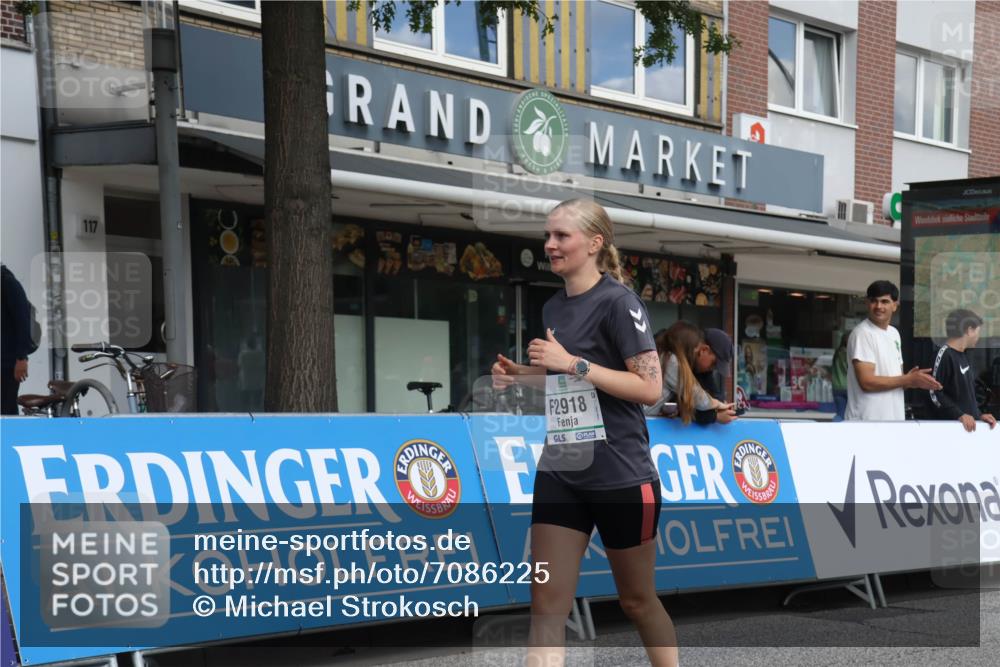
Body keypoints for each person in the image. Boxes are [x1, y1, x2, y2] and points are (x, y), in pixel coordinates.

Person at [491, 199, 677, 666]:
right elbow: (567, 381)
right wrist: (521, 375)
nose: (549, 244)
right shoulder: (554, 305)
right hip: (561, 471)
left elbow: (649, 387)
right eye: (547, 235)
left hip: (620, 475)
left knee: (636, 601)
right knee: (547, 610)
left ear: (595, 244)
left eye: (561, 236)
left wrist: (572, 362)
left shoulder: (620, 303)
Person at [846, 280, 941, 421]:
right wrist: (907, 379)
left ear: (895, 306)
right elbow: (867, 382)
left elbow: (897, 380)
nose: (879, 306)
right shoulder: (862, 333)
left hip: (892, 421)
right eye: (874, 301)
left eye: (885, 301)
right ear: (867, 303)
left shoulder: (894, 333)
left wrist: (913, 381)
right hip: (866, 423)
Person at [646, 322, 737, 425]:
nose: (713, 369)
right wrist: (717, 407)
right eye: (713, 364)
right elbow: (699, 398)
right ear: (703, 350)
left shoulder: (663, 357)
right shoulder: (671, 362)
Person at [929, 309, 996, 432]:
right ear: (969, 330)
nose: (978, 336)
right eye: (977, 331)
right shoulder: (944, 354)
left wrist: (979, 415)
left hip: (966, 432)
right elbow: (933, 393)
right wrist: (958, 414)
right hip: (949, 432)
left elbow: (965, 398)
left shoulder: (962, 356)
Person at [1, 264, 33, 415]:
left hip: (7, 364)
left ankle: (7, 438)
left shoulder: (7, 283)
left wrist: (22, 358)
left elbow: (22, 320)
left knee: (6, 409)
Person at [831, 334, 849, 421]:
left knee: (840, 413)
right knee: (850, 415)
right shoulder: (848, 354)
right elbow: (848, 369)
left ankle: (836, 428)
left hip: (836, 388)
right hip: (848, 387)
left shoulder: (837, 353)